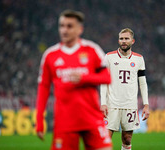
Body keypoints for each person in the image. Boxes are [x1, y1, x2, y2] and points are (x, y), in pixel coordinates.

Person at [36, 9, 112, 150]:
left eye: (69, 26)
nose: (64, 30)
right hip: (65, 123)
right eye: (62, 26)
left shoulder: (92, 49)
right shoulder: (50, 55)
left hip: (92, 119)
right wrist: (39, 119)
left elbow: (107, 78)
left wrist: (84, 78)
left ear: (79, 29)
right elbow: (44, 87)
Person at [100, 28, 150, 150]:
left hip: (130, 105)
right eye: (121, 38)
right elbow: (103, 82)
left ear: (132, 41)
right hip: (112, 104)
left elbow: (142, 83)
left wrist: (146, 104)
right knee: (105, 138)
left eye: (126, 38)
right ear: (118, 40)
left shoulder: (139, 59)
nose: (123, 41)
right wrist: (103, 103)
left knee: (127, 139)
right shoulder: (109, 57)